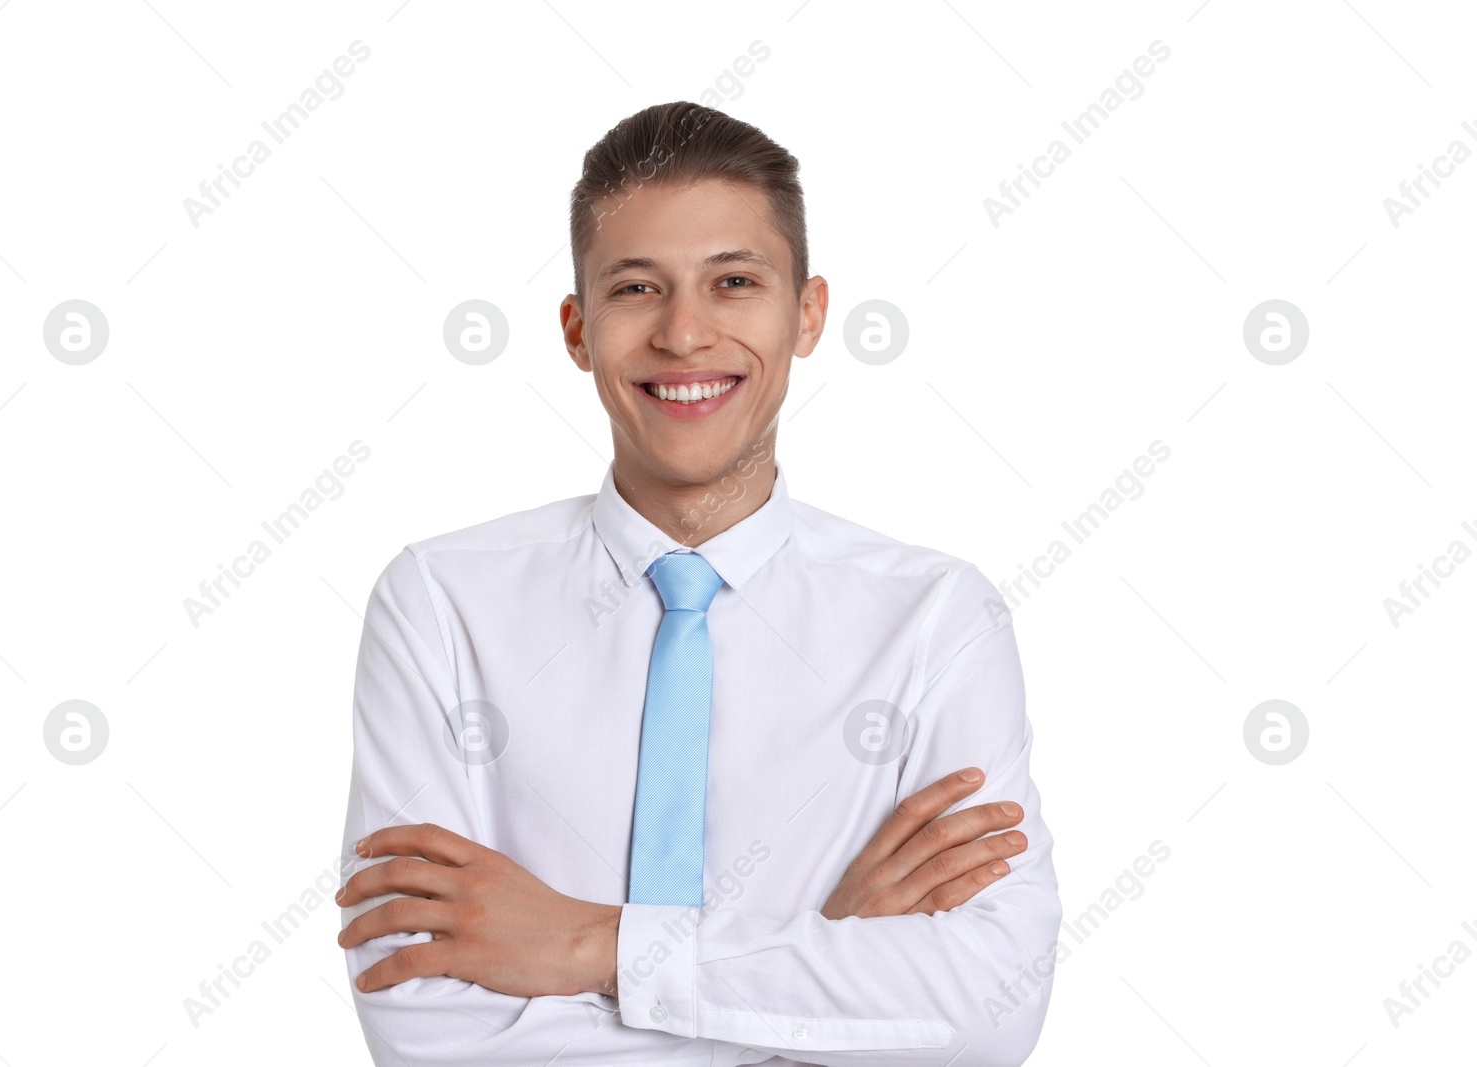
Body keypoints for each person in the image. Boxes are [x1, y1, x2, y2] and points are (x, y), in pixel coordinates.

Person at [335, 101, 1060, 1066]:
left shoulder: (937, 620)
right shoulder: (439, 604)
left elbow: (986, 1010)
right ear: (577, 328)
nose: (685, 333)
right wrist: (825, 948)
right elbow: (428, 1031)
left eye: (734, 281)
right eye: (637, 287)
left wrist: (591, 944)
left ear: (806, 315)